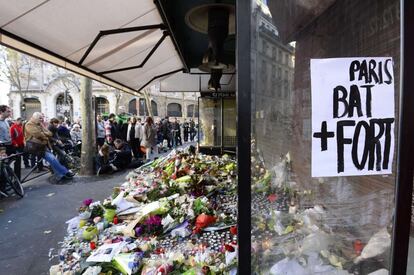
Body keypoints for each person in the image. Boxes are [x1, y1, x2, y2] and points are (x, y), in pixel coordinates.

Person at [24, 112, 75, 183]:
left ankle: (61, 174)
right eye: (40, 118)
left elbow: (49, 133)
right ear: (34, 117)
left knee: (53, 159)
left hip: (43, 145)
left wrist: (44, 135)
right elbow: (38, 134)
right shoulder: (29, 124)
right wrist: (45, 135)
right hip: (35, 147)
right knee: (52, 159)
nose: (42, 119)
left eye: (42, 118)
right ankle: (65, 172)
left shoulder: (39, 124)